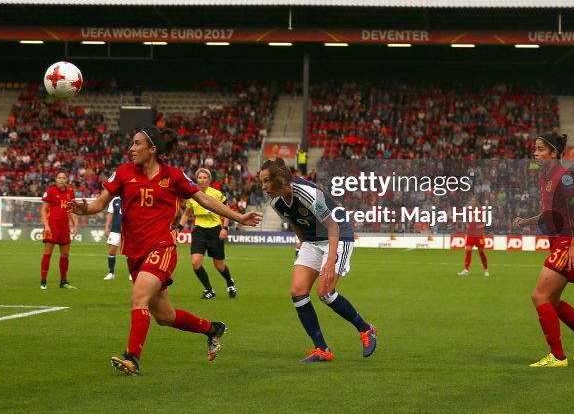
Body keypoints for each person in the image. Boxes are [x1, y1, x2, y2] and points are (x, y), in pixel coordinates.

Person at [68, 126, 262, 376]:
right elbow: (99, 203)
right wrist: (84, 209)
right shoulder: (123, 172)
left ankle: (132, 358)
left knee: (139, 298)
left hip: (161, 247)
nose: (131, 148)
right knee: (165, 316)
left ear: (153, 149)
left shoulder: (174, 176)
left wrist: (238, 217)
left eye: (137, 144)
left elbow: (204, 199)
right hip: (135, 252)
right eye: (132, 143)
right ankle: (213, 329)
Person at [258, 158, 377, 363]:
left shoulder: (307, 193)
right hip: (312, 240)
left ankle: (366, 330)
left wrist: (329, 262)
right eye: (262, 182)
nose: (263, 186)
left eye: (267, 181)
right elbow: (294, 221)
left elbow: (333, 226)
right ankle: (322, 348)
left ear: (280, 179)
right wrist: (303, 243)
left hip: (338, 236)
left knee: (324, 292)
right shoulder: (275, 200)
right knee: (297, 292)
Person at [513, 131, 574, 368]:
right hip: (560, 242)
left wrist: (573, 244)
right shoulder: (547, 178)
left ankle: (558, 356)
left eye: (541, 149)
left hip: (569, 242)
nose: (536, 153)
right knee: (551, 300)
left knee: (539, 296)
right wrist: (527, 221)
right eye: (535, 148)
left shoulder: (565, 178)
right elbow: (550, 214)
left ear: (554, 153)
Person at [178, 168, 236, 299]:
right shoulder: (192, 195)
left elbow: (227, 211)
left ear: (209, 180)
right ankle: (209, 290)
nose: (202, 180)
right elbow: (187, 213)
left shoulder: (216, 194)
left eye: (205, 178)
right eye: (200, 178)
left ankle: (230, 282)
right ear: (196, 179)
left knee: (219, 265)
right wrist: (179, 228)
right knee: (195, 262)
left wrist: (224, 228)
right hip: (199, 232)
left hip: (215, 231)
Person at [40, 169, 78, 290]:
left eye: (64, 178)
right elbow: (43, 209)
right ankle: (43, 281)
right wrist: (46, 225)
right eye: (60, 178)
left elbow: (71, 211)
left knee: (65, 255)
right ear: (56, 180)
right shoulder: (50, 192)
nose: (62, 180)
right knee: (48, 253)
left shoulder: (70, 194)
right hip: (52, 226)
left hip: (64, 227)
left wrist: (75, 225)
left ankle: (63, 281)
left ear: (66, 180)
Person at [458, 196, 489, 277]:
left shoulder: (481, 210)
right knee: (468, 252)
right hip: (470, 234)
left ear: (477, 202)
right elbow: (465, 219)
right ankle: (466, 270)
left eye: (474, 201)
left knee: (481, 253)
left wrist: (481, 225)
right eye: (471, 201)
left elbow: (486, 221)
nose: (472, 202)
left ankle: (486, 270)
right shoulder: (468, 210)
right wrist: (466, 224)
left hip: (478, 235)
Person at [103, 194, 123, 280]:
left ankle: (131, 273)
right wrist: (107, 227)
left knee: (129, 252)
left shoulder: (131, 197)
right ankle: (111, 273)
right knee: (112, 251)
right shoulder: (114, 200)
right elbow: (110, 214)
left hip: (129, 229)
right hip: (115, 228)